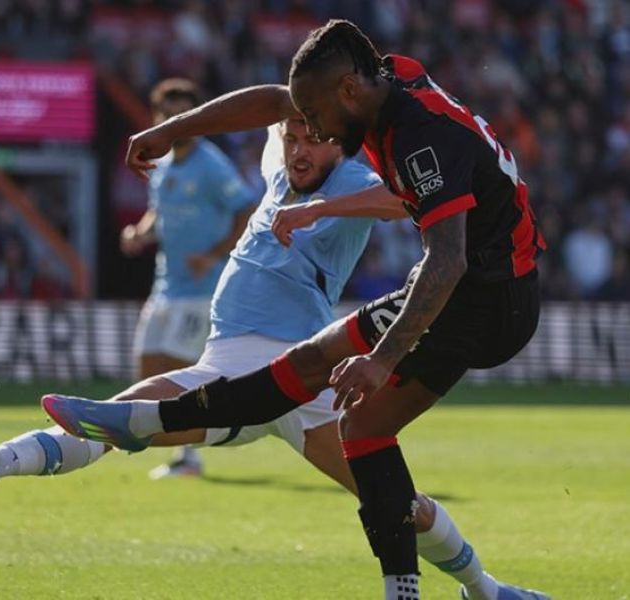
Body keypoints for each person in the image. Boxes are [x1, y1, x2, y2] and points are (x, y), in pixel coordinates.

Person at [0, 117, 543, 600]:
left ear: (340, 142)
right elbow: (270, 103)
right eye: (293, 137)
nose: (300, 149)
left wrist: (323, 207)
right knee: (119, 418)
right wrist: (181, 127)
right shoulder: (282, 165)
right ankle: (487, 589)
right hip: (254, 363)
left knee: (393, 500)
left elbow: (409, 202)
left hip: (279, 360)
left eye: (315, 139)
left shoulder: (352, 177)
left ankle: (486, 590)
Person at [42, 19, 548, 600]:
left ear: (348, 91)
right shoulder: (386, 82)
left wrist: (381, 359)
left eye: (314, 116)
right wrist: (173, 129)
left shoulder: (418, 139)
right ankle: (463, 593)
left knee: (339, 399)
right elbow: (272, 101)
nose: (311, 129)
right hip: (470, 286)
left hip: (488, 299)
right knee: (354, 419)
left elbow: (448, 259)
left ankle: (144, 422)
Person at [121, 78, 257, 478]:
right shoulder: (161, 166)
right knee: (148, 366)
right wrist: (139, 233)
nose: (176, 121)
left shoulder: (212, 164)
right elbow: (158, 212)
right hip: (166, 284)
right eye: (169, 114)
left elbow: (245, 209)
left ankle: (189, 457)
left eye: (184, 114)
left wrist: (213, 254)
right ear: (157, 118)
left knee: (178, 370)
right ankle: (173, 445)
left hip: (202, 288)